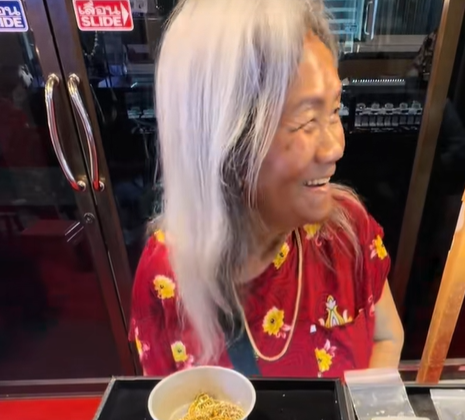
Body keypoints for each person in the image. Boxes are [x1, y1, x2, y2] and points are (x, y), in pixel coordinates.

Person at [130, 0, 404, 378]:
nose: (336, 147)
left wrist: (359, 411)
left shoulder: (346, 231)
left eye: (334, 111)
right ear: (226, 145)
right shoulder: (167, 271)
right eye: (306, 121)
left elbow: (387, 337)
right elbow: (169, 402)